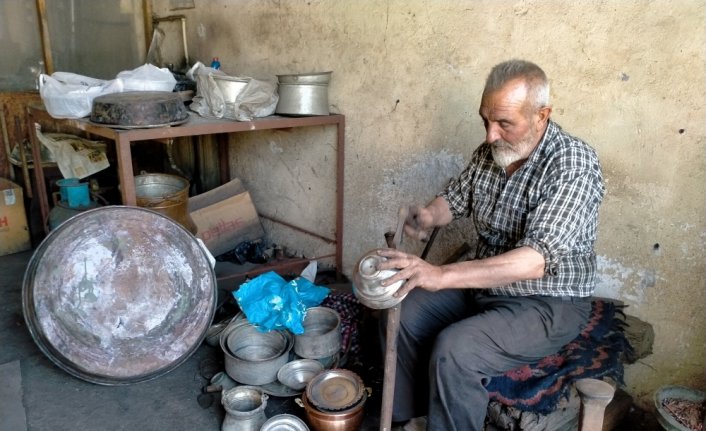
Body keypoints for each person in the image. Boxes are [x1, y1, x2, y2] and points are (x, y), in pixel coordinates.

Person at [377, 59, 605, 431]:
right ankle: (408, 418)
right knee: (402, 307)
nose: (490, 135)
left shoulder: (573, 164)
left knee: (457, 350)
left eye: (504, 124)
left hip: (547, 300)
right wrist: (429, 216)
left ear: (541, 115)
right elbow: (456, 198)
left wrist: (438, 274)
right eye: (485, 120)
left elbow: (533, 262)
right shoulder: (491, 154)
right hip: (486, 286)